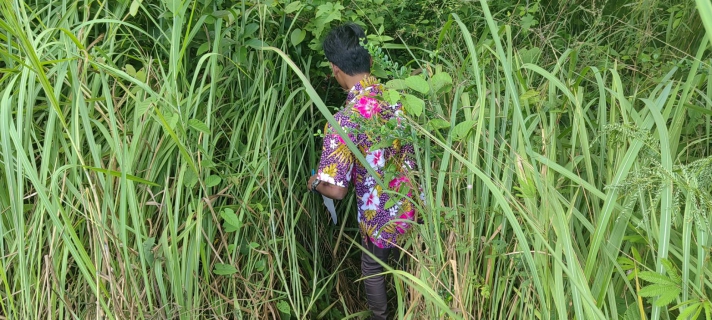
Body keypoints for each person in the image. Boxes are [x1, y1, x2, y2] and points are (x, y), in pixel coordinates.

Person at [306, 23, 417, 320]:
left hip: (378, 217)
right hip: (413, 207)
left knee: (372, 267)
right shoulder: (402, 99)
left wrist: (314, 182)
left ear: (334, 69)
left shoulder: (343, 122)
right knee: (407, 266)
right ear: (370, 60)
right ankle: (417, 308)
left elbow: (337, 191)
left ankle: (379, 317)